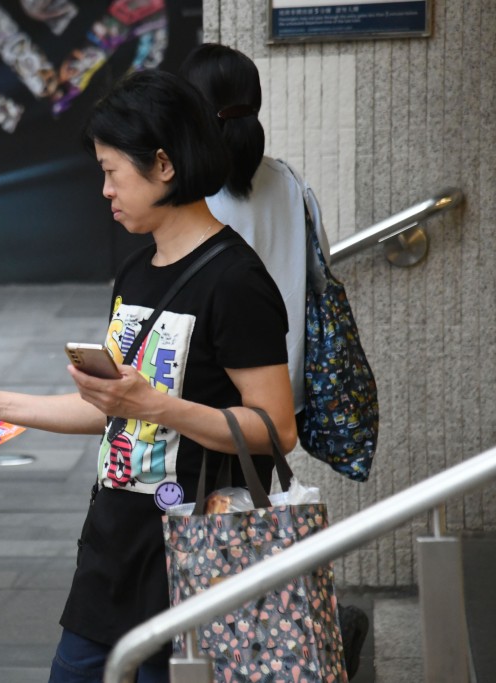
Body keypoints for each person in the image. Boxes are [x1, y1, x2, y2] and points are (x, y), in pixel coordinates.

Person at [0, 70, 297, 682]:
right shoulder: (136, 270)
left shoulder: (235, 280)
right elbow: (111, 408)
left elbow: (275, 428)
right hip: (112, 545)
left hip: (191, 550)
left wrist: (156, 407)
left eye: (111, 171)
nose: (104, 190)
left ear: (162, 164)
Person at [178, 42, 369, 679]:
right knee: (254, 543)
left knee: (201, 544)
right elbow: (318, 280)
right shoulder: (289, 184)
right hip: (276, 403)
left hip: (206, 408)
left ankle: (221, 655)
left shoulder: (193, 200)